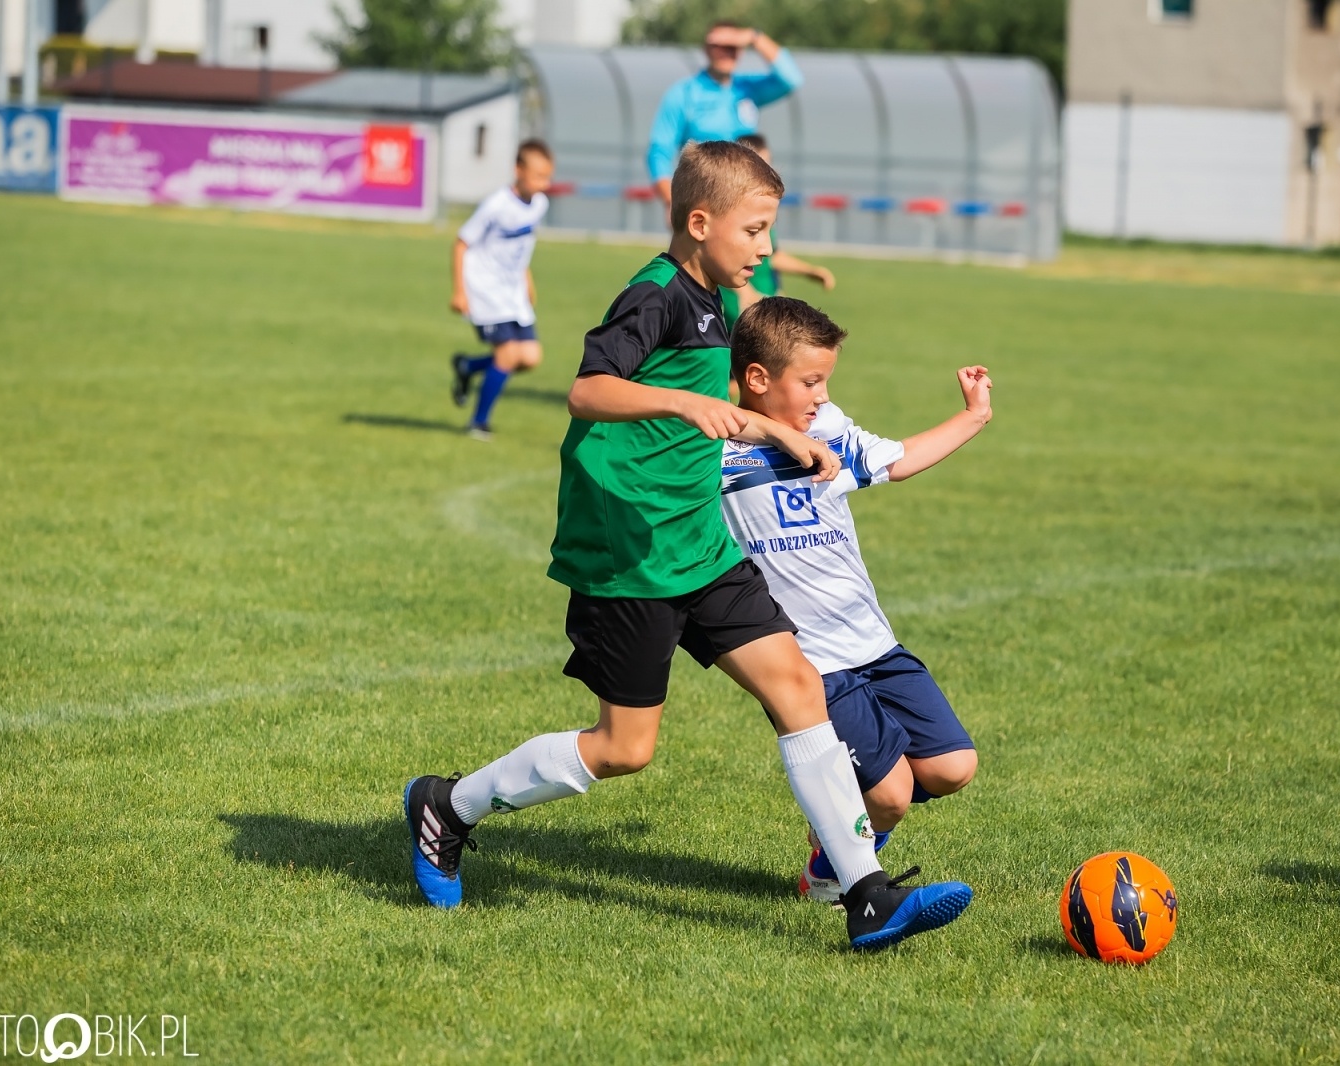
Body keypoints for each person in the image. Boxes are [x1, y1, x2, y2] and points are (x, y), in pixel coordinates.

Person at [405, 141, 973, 951]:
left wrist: (778, 427)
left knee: (797, 686)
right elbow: (587, 390)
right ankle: (447, 806)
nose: (767, 248)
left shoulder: (717, 303)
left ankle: (866, 896)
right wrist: (677, 403)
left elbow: (725, 406)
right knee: (623, 749)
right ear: (700, 224)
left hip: (699, 543)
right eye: (756, 230)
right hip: (631, 550)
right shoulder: (657, 294)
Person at [719, 296, 991, 902]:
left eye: (826, 381)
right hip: (810, 657)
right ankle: (831, 867)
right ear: (757, 379)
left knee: (953, 767)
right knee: (891, 795)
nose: (820, 394)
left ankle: (844, 813)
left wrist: (973, 416)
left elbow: (896, 461)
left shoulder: (829, 427)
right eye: (809, 380)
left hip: (872, 638)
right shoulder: (719, 451)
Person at [448, 139, 555, 440]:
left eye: (547, 177)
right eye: (537, 176)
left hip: (512, 290)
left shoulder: (539, 205)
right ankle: (478, 423)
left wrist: (527, 281)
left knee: (530, 356)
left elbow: (520, 249)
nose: (543, 184)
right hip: (485, 289)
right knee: (507, 355)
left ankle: (468, 366)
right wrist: (459, 291)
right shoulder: (496, 205)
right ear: (517, 170)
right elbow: (461, 243)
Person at [647, 21, 802, 214]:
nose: (725, 52)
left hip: (746, 195)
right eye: (718, 46)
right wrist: (671, 202)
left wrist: (755, 37)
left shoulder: (746, 88)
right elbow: (659, 151)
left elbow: (791, 78)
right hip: (703, 197)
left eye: (732, 46)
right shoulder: (684, 93)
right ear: (706, 48)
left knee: (767, 244)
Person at [719, 133, 836, 331]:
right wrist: (745, 293)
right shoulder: (730, 212)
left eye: (768, 164)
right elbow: (717, 255)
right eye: (759, 165)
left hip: (765, 302)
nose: (767, 172)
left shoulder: (762, 210)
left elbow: (773, 256)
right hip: (744, 307)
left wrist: (810, 272)